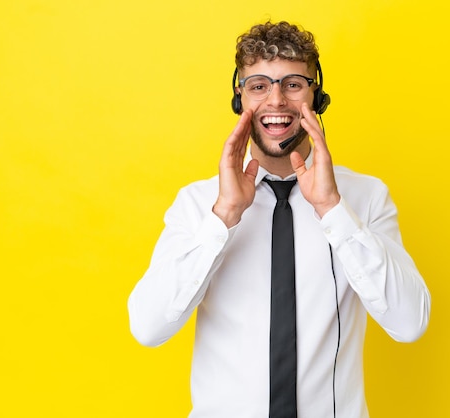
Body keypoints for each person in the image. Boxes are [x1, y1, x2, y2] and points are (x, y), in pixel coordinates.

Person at [128, 20, 431, 418]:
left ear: (316, 96)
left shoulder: (365, 198)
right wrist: (224, 216)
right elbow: (148, 328)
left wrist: (332, 209)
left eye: (292, 84)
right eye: (259, 86)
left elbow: (409, 324)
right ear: (240, 99)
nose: (276, 101)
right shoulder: (198, 203)